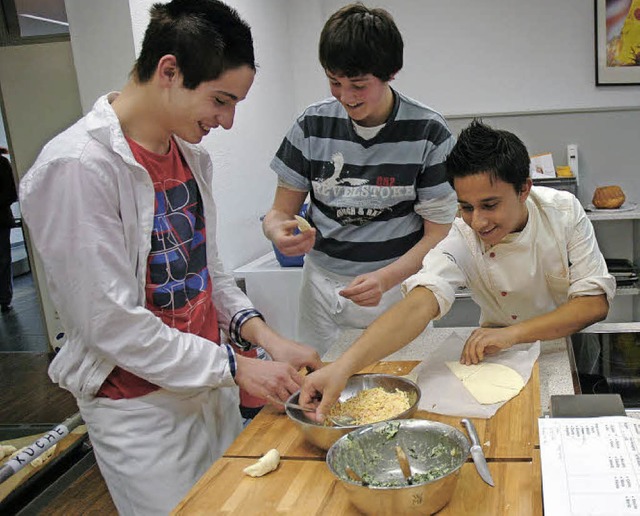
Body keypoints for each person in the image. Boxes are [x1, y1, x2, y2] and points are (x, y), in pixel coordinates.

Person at [19, 1, 322, 514]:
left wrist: (265, 339)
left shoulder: (189, 157)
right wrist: (237, 367)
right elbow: (109, 324)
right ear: (169, 71)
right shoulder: (77, 168)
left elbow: (209, 275)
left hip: (209, 385)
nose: (226, 122)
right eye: (221, 100)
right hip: (140, 408)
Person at [299, 119, 615, 421]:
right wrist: (342, 368)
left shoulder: (562, 213)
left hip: (563, 348)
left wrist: (513, 334)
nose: (478, 221)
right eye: (466, 207)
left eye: (490, 205)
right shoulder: (462, 234)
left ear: (523, 189)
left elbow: (593, 304)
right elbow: (420, 304)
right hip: (496, 353)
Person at [262, 3, 457, 355]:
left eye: (358, 85)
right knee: (322, 387)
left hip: (398, 289)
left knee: (401, 387)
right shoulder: (312, 126)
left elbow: (439, 236)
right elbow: (279, 213)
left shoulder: (428, 132)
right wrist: (278, 231)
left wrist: (386, 278)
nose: (346, 97)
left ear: (390, 73)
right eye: (335, 82)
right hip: (322, 288)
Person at [0, 147, 17, 314]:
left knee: (3, 260)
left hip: (1, 220)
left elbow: (12, 192)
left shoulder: (2, 163)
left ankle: (5, 299)